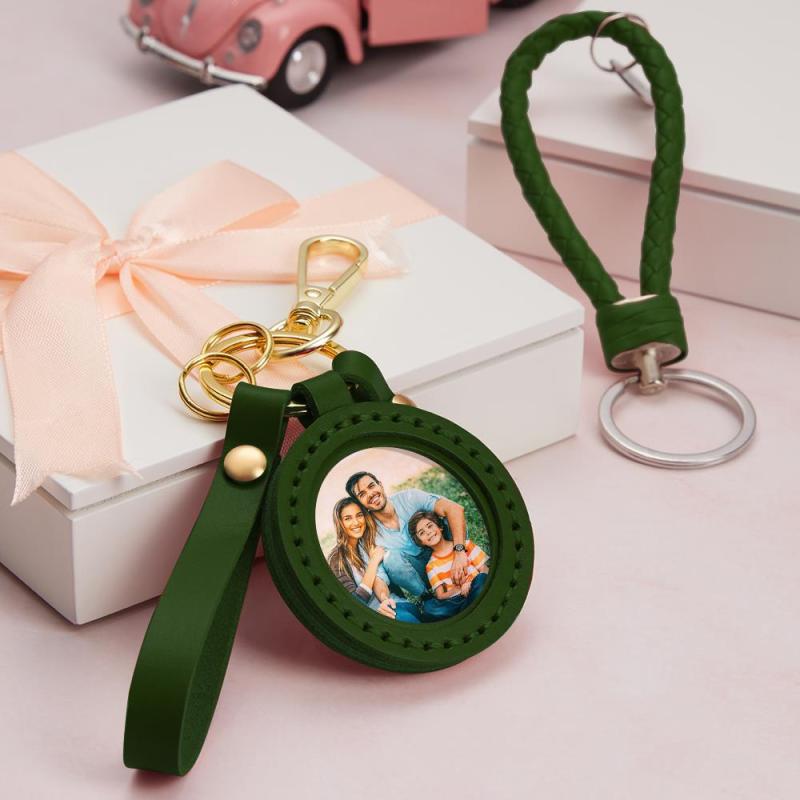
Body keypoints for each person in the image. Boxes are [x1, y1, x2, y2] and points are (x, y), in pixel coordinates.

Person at [346, 471, 470, 599]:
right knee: (391, 559)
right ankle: (427, 597)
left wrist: (459, 552)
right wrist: (384, 599)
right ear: (359, 504)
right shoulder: (369, 534)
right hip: (419, 572)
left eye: (371, 486)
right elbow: (379, 575)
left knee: (448, 519)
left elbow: (454, 509)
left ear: (380, 485)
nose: (370, 494)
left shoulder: (409, 497)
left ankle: (468, 564)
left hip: (451, 554)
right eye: (362, 494)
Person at [327, 497, 421, 623]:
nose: (356, 522)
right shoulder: (337, 559)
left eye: (359, 515)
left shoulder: (369, 543)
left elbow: (382, 578)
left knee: (416, 616)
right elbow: (356, 602)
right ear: (340, 523)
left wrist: (385, 599)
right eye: (348, 518)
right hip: (373, 616)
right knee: (408, 620)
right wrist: (373, 562)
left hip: (395, 603)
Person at [409, 511, 489, 620]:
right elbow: (440, 595)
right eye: (422, 533)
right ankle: (469, 608)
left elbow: (485, 570)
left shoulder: (466, 545)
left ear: (440, 527)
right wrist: (459, 590)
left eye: (430, 526)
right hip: (456, 600)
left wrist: (470, 584)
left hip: (476, 587)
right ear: (420, 542)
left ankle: (465, 612)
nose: (428, 532)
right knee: (429, 608)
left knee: (482, 580)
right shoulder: (431, 566)